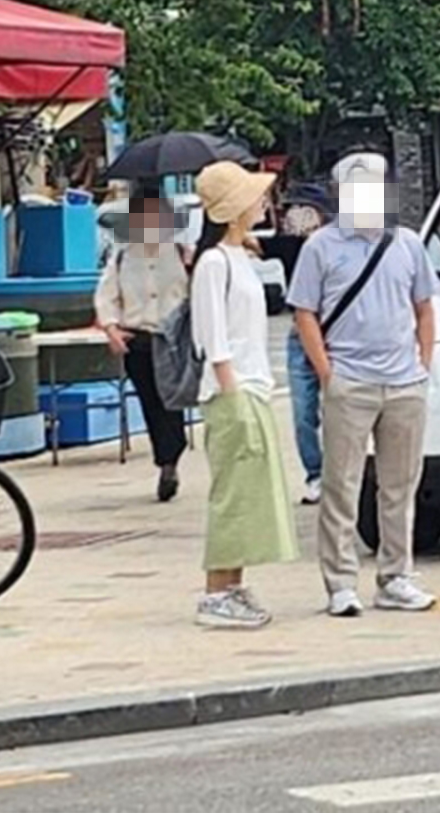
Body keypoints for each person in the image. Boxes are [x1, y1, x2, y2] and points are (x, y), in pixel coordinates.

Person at [288, 152, 439, 618]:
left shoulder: (408, 243)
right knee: (342, 484)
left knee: (400, 485)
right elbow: (304, 312)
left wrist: (423, 363)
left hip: (403, 381)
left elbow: (424, 307)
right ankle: (340, 582)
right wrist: (328, 372)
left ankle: (396, 576)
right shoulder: (320, 247)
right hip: (350, 381)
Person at [189, 161, 298, 629]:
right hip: (232, 391)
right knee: (233, 494)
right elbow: (212, 337)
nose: (263, 203)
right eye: (255, 197)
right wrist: (232, 393)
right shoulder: (213, 263)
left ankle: (233, 583)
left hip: (252, 387)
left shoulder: (240, 256)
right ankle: (216, 592)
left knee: (250, 494)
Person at [94, 187, 191, 502]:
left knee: (170, 400)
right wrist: (111, 329)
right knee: (151, 402)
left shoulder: (179, 252)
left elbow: (195, 293)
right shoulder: (123, 256)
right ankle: (164, 459)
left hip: (171, 340)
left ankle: (170, 459)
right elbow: (106, 295)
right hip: (138, 340)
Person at [268, 183, 333, 505]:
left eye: (305, 210)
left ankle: (341, 472)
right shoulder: (289, 245)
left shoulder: (338, 246)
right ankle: (316, 473)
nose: (297, 217)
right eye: (293, 210)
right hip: (299, 334)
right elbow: (252, 243)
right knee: (303, 411)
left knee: (342, 408)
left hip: (335, 334)